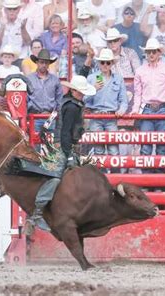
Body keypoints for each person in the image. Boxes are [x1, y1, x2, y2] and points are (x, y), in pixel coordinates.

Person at [25, 75, 95, 232]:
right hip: (63, 146)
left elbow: (61, 123)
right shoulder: (71, 107)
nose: (82, 94)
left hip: (63, 144)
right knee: (55, 178)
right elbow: (65, 132)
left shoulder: (67, 102)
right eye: (80, 92)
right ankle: (36, 213)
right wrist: (69, 154)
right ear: (74, 90)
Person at [132, 38, 165, 169]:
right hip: (147, 109)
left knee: (161, 146)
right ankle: (148, 181)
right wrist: (136, 109)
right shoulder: (140, 71)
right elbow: (138, 94)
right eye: (149, 52)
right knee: (146, 146)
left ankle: (158, 181)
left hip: (163, 109)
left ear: (159, 53)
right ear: (146, 54)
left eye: (153, 52)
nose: (151, 54)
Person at [85, 48, 128, 171]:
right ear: (98, 63)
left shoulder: (118, 79)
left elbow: (124, 100)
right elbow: (84, 99)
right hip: (96, 116)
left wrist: (121, 111)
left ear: (112, 64)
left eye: (108, 62)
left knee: (113, 150)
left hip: (111, 117)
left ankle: (114, 179)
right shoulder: (92, 78)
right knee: (98, 151)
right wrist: (93, 90)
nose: (105, 65)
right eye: (102, 62)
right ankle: (101, 182)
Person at [26, 49, 62, 133]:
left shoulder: (55, 80)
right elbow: (25, 100)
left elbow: (59, 101)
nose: (44, 65)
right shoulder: (29, 79)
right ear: (37, 63)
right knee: (35, 143)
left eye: (46, 63)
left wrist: (55, 116)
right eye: (42, 62)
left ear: (49, 64)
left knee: (49, 142)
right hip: (34, 117)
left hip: (50, 117)